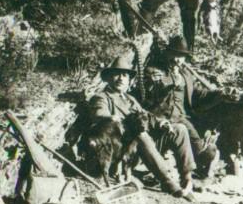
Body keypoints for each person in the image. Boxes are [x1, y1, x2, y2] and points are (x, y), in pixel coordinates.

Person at [68, 53, 196, 195]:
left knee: (179, 129)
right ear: (109, 77)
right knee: (140, 134)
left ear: (129, 80)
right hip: (117, 150)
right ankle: (167, 182)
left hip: (137, 149)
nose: (121, 78)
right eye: (117, 74)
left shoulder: (130, 99)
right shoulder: (102, 97)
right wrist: (112, 118)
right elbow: (98, 114)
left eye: (125, 75)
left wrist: (161, 123)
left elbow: (146, 115)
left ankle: (186, 177)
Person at [142, 36, 218, 187]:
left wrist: (219, 94)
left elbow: (198, 94)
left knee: (205, 151)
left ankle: (198, 176)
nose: (178, 60)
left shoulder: (186, 75)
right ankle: (172, 175)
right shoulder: (154, 71)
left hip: (181, 117)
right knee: (155, 149)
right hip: (158, 118)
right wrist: (165, 84)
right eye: (175, 55)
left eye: (182, 56)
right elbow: (150, 91)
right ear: (168, 53)